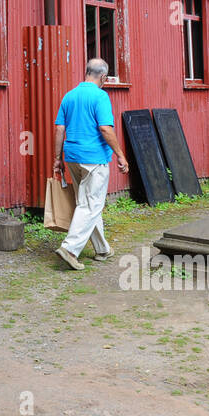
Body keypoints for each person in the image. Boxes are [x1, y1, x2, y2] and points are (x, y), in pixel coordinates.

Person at [51, 58, 130, 271]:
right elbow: (105, 129)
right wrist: (121, 155)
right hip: (94, 159)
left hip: (72, 158)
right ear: (103, 77)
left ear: (87, 72)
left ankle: (102, 248)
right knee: (91, 204)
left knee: (87, 202)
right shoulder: (100, 96)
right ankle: (69, 249)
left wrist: (57, 159)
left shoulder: (69, 96)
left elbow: (59, 129)